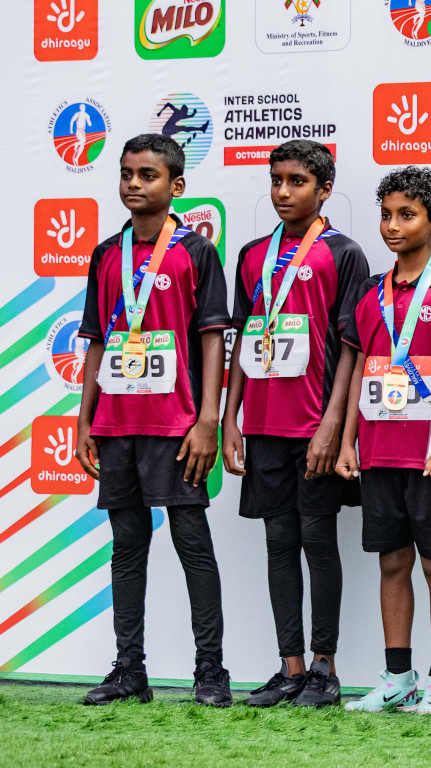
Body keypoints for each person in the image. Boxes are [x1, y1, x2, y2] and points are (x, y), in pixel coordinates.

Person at [74, 134, 231, 707]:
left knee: (192, 543)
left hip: (176, 424)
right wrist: (84, 417)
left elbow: (213, 337)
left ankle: (211, 672)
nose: (134, 184)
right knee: (127, 546)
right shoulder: (105, 253)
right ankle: (128, 670)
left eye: (147, 175)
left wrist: (207, 419)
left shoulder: (194, 251)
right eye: (126, 174)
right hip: (117, 424)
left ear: (175, 186)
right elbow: (95, 340)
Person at [222, 140, 369, 708]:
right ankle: (289, 668)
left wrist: (335, 427)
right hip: (261, 425)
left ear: (324, 189)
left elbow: (352, 347)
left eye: (298, 181)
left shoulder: (344, 252)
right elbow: (241, 340)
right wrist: (231, 420)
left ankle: (324, 668)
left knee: (317, 539)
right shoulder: (253, 254)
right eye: (277, 179)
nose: (284, 191)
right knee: (278, 541)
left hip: (314, 425)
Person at [337, 167, 431, 715]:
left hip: (430, 453)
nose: (392, 226)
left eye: (407, 214)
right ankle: (398, 676)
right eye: (386, 214)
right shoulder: (369, 290)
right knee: (391, 562)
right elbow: (357, 369)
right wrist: (348, 441)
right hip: (377, 450)